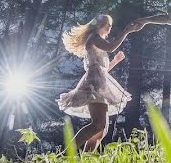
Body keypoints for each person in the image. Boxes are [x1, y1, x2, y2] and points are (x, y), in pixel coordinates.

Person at [57, 14, 140, 151]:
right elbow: (111, 47)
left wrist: (115, 61)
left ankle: (87, 159)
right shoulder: (94, 38)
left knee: (102, 129)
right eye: (107, 24)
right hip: (94, 84)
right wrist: (126, 31)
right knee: (98, 124)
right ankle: (67, 153)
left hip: (100, 82)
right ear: (98, 25)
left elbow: (103, 69)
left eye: (111, 25)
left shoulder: (98, 41)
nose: (109, 27)